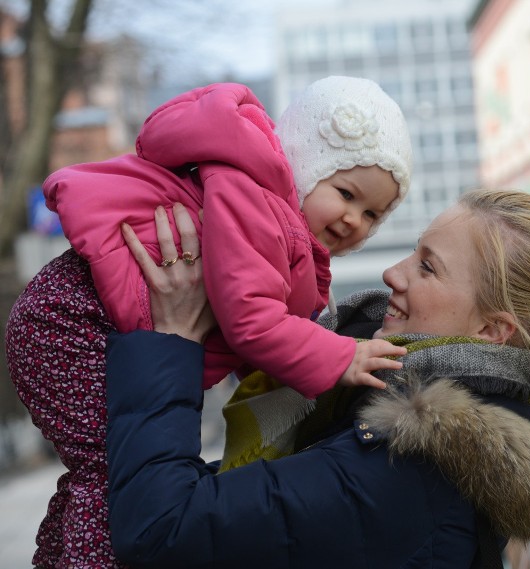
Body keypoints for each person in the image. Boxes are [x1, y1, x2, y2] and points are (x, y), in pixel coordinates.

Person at [105, 189, 530, 568]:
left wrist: (170, 343)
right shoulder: (401, 433)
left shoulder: (402, 467)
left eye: (428, 267)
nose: (393, 273)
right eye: (414, 252)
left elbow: (161, 527)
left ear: (492, 330)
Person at [4, 76, 411, 568]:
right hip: (73, 323)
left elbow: (256, 346)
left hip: (68, 319)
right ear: (304, 166)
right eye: (345, 193)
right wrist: (345, 356)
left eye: (372, 214)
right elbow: (253, 324)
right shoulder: (256, 204)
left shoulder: (284, 235)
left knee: (103, 471)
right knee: (118, 471)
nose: (354, 219)